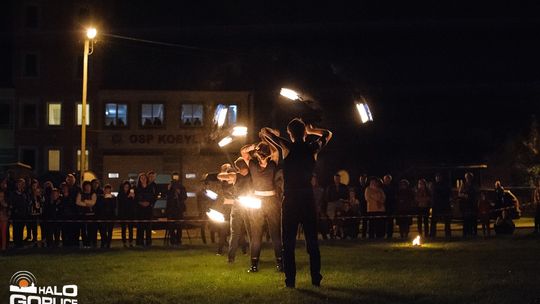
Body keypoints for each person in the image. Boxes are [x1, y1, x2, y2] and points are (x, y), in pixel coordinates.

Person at [261, 118, 332, 288]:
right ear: (303, 133)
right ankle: (315, 278)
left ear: (290, 133)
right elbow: (328, 134)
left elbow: (265, 132)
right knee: (312, 242)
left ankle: (290, 281)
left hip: (291, 199)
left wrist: (271, 132)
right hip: (307, 199)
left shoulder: (288, 147)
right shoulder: (312, 148)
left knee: (289, 242)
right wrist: (313, 130)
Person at [241, 142, 283, 273]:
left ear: (257, 155)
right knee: (275, 233)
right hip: (271, 201)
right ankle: (280, 265)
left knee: (256, 235)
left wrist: (254, 146)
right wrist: (268, 141)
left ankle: (254, 266)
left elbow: (243, 152)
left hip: (257, 202)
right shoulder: (272, 164)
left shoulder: (252, 164)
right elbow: (276, 151)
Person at [218, 157, 252, 263]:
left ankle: (231, 258)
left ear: (237, 167)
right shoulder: (251, 174)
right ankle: (254, 257)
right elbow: (220, 176)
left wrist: (228, 173)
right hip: (246, 205)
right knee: (250, 232)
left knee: (236, 233)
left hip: (241, 205)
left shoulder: (235, 175)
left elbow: (219, 176)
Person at [165, 172, 187, 246]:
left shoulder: (181, 187)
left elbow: (185, 197)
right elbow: (167, 196)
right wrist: (169, 189)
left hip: (179, 208)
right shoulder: (170, 186)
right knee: (171, 225)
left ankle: (178, 239)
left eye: (176, 177)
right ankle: (172, 239)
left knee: (179, 225)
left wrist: (179, 192)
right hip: (171, 208)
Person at [324, 174, 348, 239]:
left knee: (340, 215)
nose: (337, 180)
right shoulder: (330, 187)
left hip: (341, 203)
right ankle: (336, 232)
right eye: (335, 178)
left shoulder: (344, 187)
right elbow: (327, 197)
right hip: (332, 204)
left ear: (340, 179)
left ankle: (338, 232)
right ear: (334, 179)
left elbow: (346, 196)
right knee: (333, 217)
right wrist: (334, 200)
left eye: (338, 178)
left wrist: (342, 200)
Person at [135, 172, 156, 247]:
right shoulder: (136, 188)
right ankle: (139, 242)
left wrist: (149, 203)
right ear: (139, 179)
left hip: (148, 209)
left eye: (144, 178)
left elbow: (154, 197)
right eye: (141, 178)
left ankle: (148, 242)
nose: (143, 179)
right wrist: (141, 203)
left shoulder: (150, 188)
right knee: (140, 227)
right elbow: (135, 199)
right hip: (140, 210)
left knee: (148, 227)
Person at [430, 173, 452, 238]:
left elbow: (448, 194)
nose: (438, 178)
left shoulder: (445, 185)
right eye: (437, 177)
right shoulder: (434, 185)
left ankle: (448, 234)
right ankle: (432, 234)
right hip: (436, 205)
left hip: (444, 204)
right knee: (433, 220)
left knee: (447, 220)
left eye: (439, 177)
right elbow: (433, 195)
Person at [76, 181, 97, 248]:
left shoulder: (93, 194)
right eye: (86, 186)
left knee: (91, 230)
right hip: (83, 214)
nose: (88, 187)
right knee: (83, 230)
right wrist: (87, 204)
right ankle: (85, 243)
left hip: (91, 215)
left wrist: (85, 201)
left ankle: (90, 243)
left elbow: (93, 203)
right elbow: (77, 202)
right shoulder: (80, 193)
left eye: (89, 186)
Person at [11, 179, 29, 248]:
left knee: (21, 229)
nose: (21, 185)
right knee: (16, 229)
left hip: (23, 214)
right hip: (16, 214)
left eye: (23, 184)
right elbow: (13, 203)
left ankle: (20, 243)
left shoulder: (25, 194)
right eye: (20, 184)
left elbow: (26, 203)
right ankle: (16, 243)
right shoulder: (14, 194)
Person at [459, 172, 478, 237]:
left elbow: (476, 193)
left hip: (472, 204)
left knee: (473, 219)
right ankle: (466, 232)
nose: (468, 179)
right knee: (466, 219)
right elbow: (460, 193)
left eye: (469, 177)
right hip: (466, 205)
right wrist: (464, 195)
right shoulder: (463, 185)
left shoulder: (474, 185)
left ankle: (473, 232)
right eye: (467, 177)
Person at [117, 181, 136, 247]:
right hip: (123, 213)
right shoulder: (120, 194)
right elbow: (121, 203)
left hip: (130, 213)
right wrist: (128, 196)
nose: (126, 188)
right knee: (123, 228)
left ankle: (131, 242)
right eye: (125, 187)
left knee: (130, 228)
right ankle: (124, 242)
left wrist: (133, 197)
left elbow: (133, 204)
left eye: (128, 187)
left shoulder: (131, 193)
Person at [382, 174, 396, 239]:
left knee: (390, 222)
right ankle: (383, 233)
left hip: (391, 206)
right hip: (383, 206)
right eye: (385, 179)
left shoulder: (393, 188)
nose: (387, 180)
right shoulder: (381, 187)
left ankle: (389, 234)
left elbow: (394, 197)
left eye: (388, 179)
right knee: (383, 221)